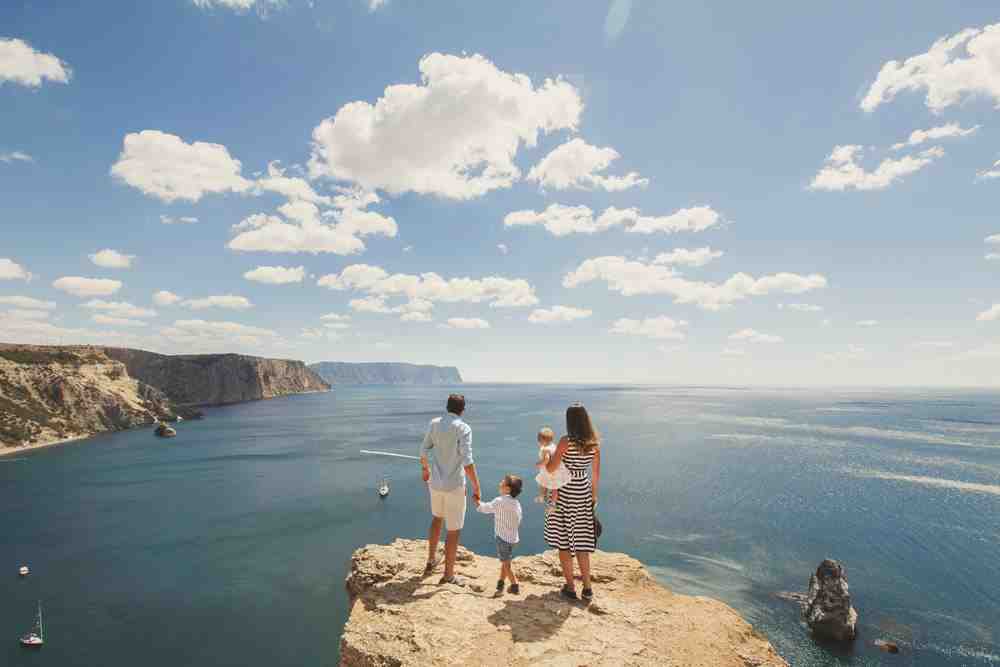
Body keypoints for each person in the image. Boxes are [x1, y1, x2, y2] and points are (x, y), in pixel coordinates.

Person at [419, 393, 482, 585]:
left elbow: (423, 450)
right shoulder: (463, 428)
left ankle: (431, 560)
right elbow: (468, 461)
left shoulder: (434, 423)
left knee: (437, 518)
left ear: (447, 407)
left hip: (436, 483)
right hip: (454, 485)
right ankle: (448, 575)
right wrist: (477, 486)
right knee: (453, 530)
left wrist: (425, 469)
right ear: (463, 409)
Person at [543, 403, 602, 602]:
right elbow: (595, 475)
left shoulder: (565, 442)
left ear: (570, 421)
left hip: (566, 491)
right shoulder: (593, 443)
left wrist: (549, 456)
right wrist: (593, 498)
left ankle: (570, 587)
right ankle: (587, 588)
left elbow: (551, 469)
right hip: (583, 492)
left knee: (564, 542)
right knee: (583, 542)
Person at [475, 474, 524, 595]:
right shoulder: (516, 503)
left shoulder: (499, 501)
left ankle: (514, 585)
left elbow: (485, 509)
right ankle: (500, 585)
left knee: (506, 565)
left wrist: (476, 501)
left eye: (502, 482)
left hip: (502, 539)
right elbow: (519, 519)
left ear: (507, 489)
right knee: (505, 562)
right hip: (513, 539)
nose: (499, 483)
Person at [534, 426, 570, 513]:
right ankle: (553, 504)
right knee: (555, 488)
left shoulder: (545, 449)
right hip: (556, 471)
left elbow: (546, 459)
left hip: (548, 470)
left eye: (539, 439)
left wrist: (539, 464)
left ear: (541, 440)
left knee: (542, 483)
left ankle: (542, 496)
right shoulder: (554, 446)